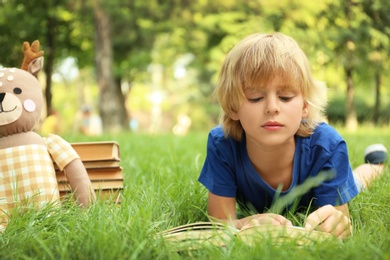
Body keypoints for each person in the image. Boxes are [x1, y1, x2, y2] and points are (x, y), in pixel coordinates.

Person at [198, 32, 388, 239]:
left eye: (285, 97)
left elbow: (335, 224)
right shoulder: (222, 144)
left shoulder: (328, 146)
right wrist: (246, 223)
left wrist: (338, 223)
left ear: (305, 105)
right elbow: (219, 223)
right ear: (233, 107)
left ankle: (374, 166)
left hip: (326, 182)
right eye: (255, 98)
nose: (272, 108)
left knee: (357, 181)